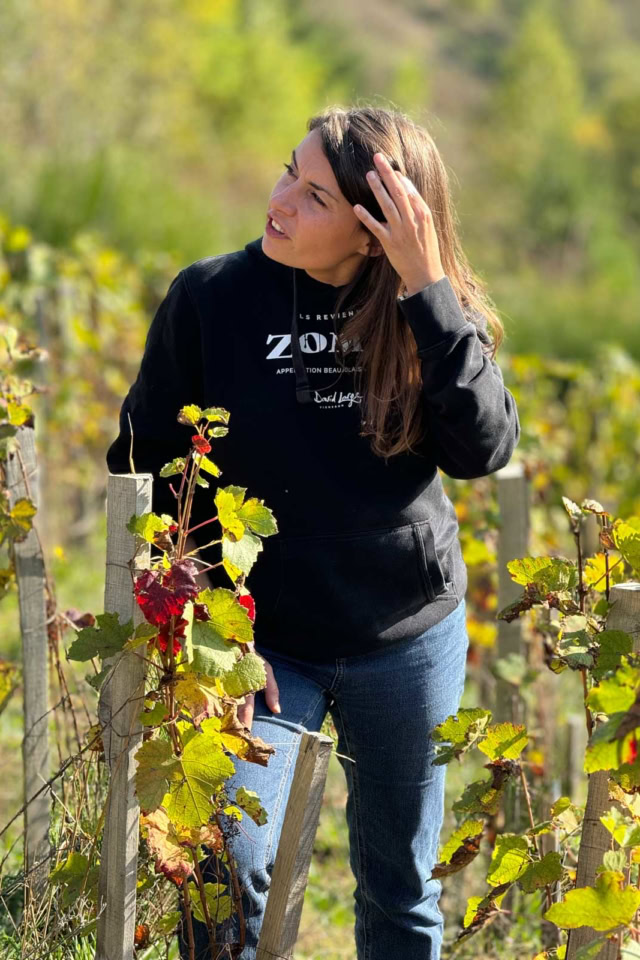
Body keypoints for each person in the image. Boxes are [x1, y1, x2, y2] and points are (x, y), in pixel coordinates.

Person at [106, 104, 520, 960]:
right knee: (226, 869)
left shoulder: (425, 313)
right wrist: (216, 627)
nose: (280, 200)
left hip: (405, 635)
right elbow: (145, 468)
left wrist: (428, 291)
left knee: (402, 886)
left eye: (315, 196)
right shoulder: (210, 299)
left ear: (374, 233)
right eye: (286, 172)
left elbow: (482, 450)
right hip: (260, 644)